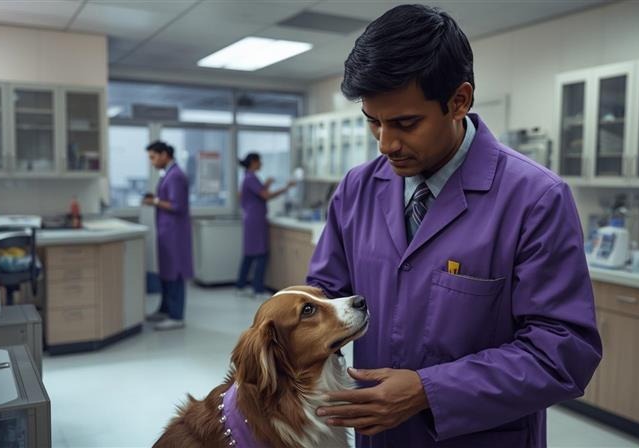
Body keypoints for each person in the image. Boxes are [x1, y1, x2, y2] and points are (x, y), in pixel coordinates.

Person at [308, 5, 602, 447]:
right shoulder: (357, 190)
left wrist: (430, 390)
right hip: (378, 436)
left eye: (405, 123)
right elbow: (323, 300)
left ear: (459, 100)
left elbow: (563, 352)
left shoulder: (535, 199)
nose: (386, 144)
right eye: (374, 122)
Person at [143, 141, 193, 331]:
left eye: (153, 157)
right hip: (167, 231)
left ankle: (176, 316)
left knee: (175, 273)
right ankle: (165, 310)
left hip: (175, 234)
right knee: (166, 273)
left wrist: (154, 201)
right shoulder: (169, 175)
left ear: (165, 154)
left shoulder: (176, 176)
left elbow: (177, 206)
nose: (152, 162)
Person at [236, 152, 295, 300]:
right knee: (261, 254)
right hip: (256, 220)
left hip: (251, 219)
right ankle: (258, 290)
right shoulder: (251, 177)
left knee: (249, 254)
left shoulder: (248, 177)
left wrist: (266, 184)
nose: (261, 164)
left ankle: (240, 286)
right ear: (254, 162)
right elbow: (266, 196)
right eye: (260, 161)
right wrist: (286, 187)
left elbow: (255, 193)